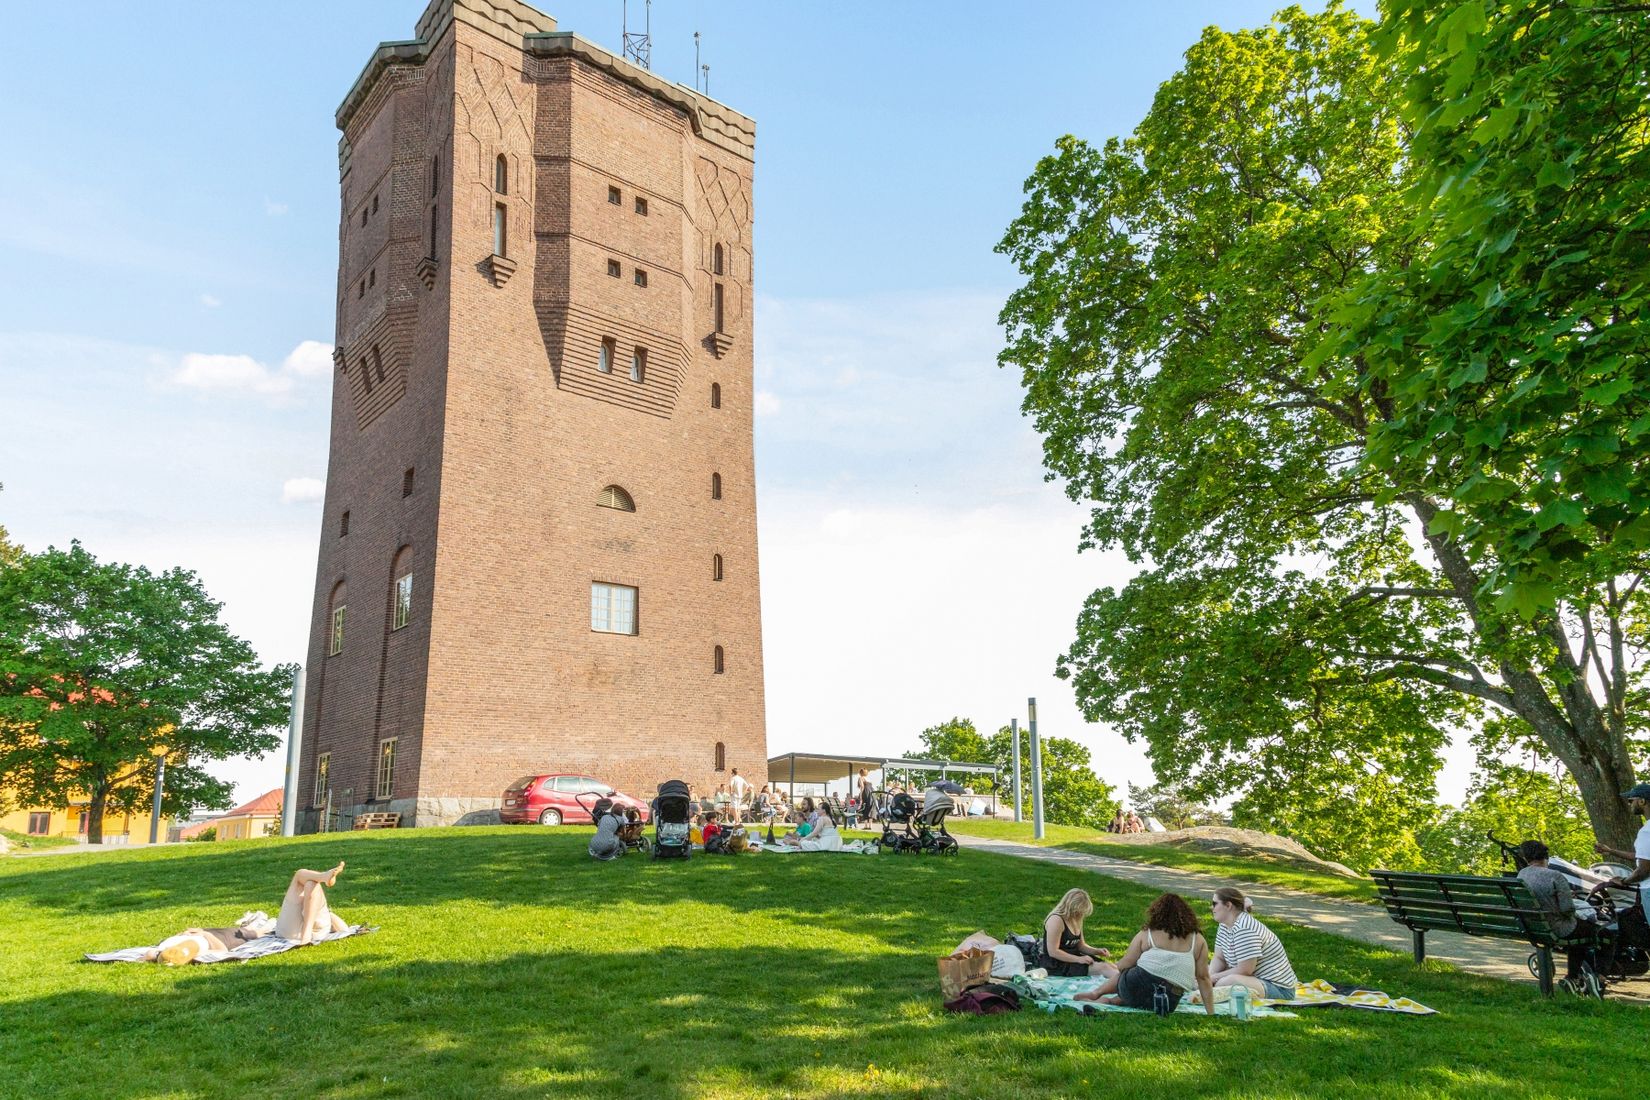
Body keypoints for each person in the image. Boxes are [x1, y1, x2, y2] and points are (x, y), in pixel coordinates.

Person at [1076, 893, 1215, 1015]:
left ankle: (1098, 995)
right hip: (1168, 1000)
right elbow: (1203, 978)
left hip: (1135, 986)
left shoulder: (1147, 934)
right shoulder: (1198, 940)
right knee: (1137, 984)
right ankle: (1105, 1000)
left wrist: (1120, 967)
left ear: (1156, 913)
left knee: (1129, 972)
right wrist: (1211, 1012)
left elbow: (1125, 964)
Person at [1516, 840, 1595, 993]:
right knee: (1597, 930)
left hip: (1535, 927)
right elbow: (1567, 909)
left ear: (1526, 858)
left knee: (1581, 929)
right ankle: (1581, 977)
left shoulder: (1522, 874)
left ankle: (1574, 978)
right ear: (1546, 856)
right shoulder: (1555, 875)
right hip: (1558, 928)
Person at [1208, 886, 1298, 1001]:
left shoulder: (1244, 928)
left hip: (1277, 987)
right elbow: (1219, 957)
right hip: (1251, 979)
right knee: (1200, 971)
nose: (1212, 908)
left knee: (1226, 982)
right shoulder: (1224, 925)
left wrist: (1213, 978)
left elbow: (1245, 969)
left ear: (1228, 905)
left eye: (1215, 903)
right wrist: (1208, 977)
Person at [1041, 888, 1115, 978]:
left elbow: (1081, 946)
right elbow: (1053, 952)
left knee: (1111, 966)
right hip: (1057, 963)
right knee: (1103, 968)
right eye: (1078, 912)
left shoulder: (1077, 918)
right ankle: (1125, 986)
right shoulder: (1056, 920)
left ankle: (1126, 983)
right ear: (1070, 907)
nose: (1080, 915)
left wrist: (1096, 951)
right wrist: (1078, 959)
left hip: (1074, 958)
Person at [1595, 781, 1650, 901]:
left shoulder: (1647, 831)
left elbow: (1644, 870)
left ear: (1642, 801)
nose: (1629, 804)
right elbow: (1644, 857)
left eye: (1631, 800)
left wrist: (1623, 881)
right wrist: (1611, 851)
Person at [275, 862, 350, 945]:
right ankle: (324, 877)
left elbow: (344, 930)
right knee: (311, 883)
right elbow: (344, 929)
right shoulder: (327, 914)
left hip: (289, 933)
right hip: (315, 932)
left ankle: (324, 876)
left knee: (301, 876)